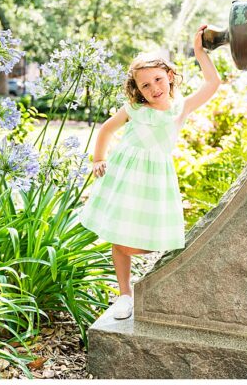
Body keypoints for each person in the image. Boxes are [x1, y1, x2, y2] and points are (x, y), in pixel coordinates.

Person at [78, 25, 221, 320]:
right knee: (119, 238)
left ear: (169, 76)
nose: (154, 88)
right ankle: (124, 295)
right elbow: (106, 130)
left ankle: (150, 286)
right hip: (125, 177)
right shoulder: (135, 109)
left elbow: (212, 83)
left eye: (158, 79)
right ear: (138, 90)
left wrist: (199, 52)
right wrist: (97, 159)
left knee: (145, 242)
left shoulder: (179, 109)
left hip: (155, 182)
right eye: (146, 85)